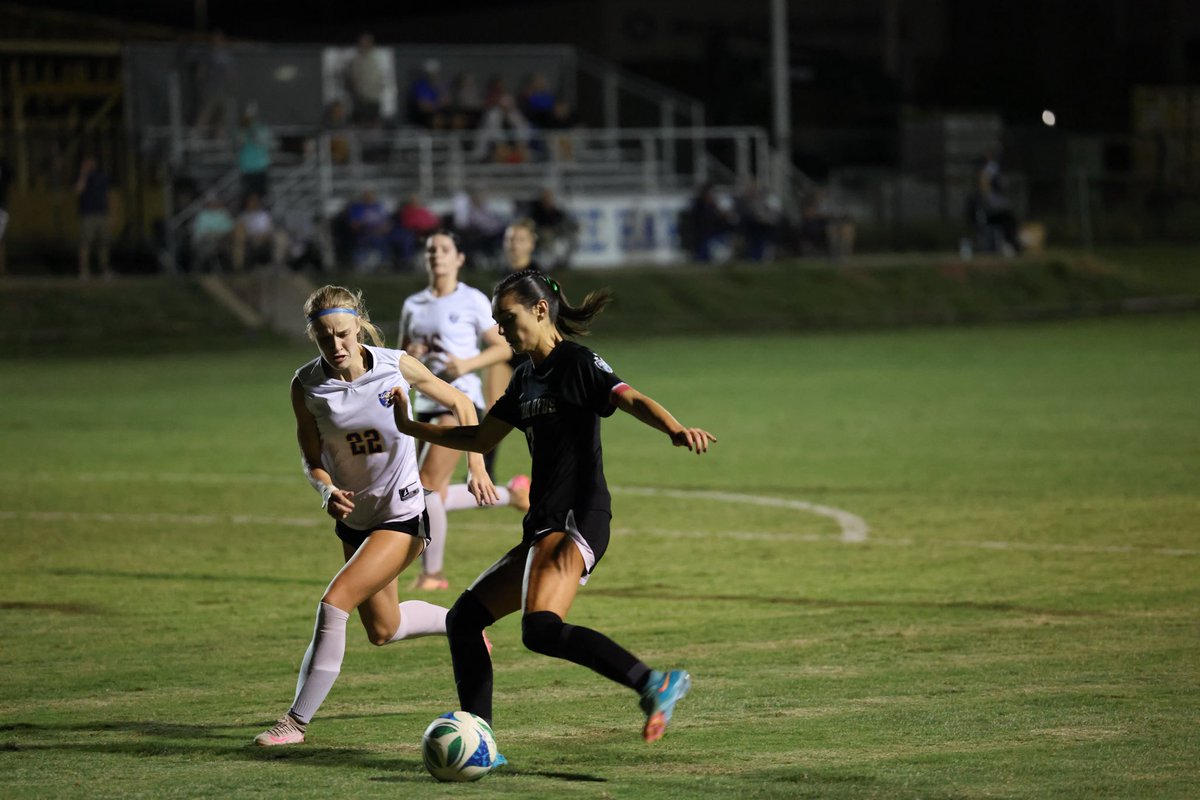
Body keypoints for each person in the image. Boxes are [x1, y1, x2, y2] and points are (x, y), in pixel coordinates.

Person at [385, 268, 717, 746]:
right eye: (497, 320)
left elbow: (629, 397)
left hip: (577, 515)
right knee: (463, 621)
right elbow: (480, 436)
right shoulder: (525, 378)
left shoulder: (577, 363)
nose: (501, 329)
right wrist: (414, 427)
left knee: (540, 628)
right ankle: (481, 740)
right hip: (544, 522)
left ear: (541, 310)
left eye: (507, 318)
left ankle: (653, 682)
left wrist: (674, 428)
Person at [253, 284, 499, 747]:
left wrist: (477, 464)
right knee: (383, 629)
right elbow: (311, 457)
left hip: (404, 514)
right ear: (313, 335)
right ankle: (462, 624)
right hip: (356, 519)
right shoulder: (306, 385)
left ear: (359, 323)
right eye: (324, 337)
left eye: (343, 333)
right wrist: (325, 489)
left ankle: (294, 723)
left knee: (335, 601)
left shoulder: (394, 365)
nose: (336, 346)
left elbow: (462, 403)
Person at [398, 231, 519, 591]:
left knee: (426, 486)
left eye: (444, 249)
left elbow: (502, 347)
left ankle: (432, 575)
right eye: (431, 249)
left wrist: (465, 365)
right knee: (434, 493)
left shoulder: (473, 300)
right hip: (424, 404)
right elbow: (401, 354)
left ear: (459, 258)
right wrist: (413, 356)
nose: (437, 255)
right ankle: (512, 494)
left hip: (460, 402)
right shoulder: (413, 304)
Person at [75, 154, 113, 280]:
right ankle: (84, 270)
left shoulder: (102, 177)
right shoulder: (82, 177)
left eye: (90, 163)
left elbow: (108, 195)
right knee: (85, 243)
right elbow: (78, 191)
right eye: (86, 163)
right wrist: (83, 174)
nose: (89, 165)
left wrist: (112, 213)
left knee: (103, 243)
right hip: (88, 215)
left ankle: (104, 270)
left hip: (102, 214)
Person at [346, 33, 385, 128]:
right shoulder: (356, 60)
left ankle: (375, 142)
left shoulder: (378, 57)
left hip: (374, 96)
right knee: (361, 122)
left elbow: (381, 76)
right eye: (363, 43)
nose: (365, 45)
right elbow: (353, 77)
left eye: (367, 43)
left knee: (374, 121)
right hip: (361, 97)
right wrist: (357, 92)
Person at [236, 105, 272, 201]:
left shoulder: (262, 129)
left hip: (260, 167)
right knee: (248, 194)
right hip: (247, 168)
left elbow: (261, 142)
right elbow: (239, 143)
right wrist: (245, 129)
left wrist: (252, 130)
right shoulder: (241, 130)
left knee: (262, 195)